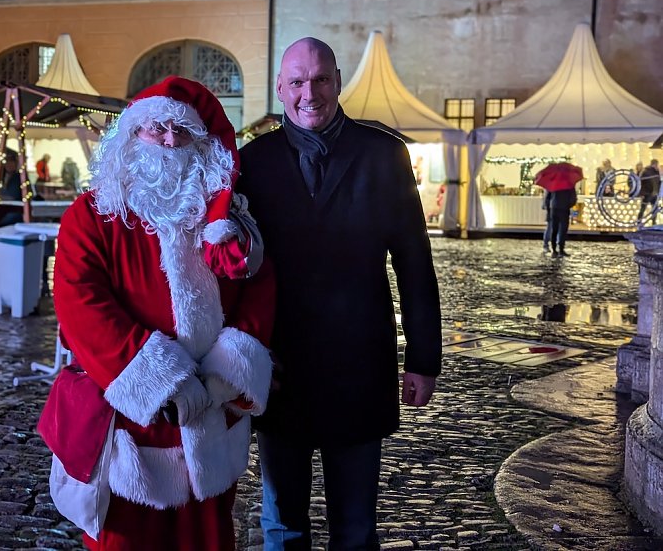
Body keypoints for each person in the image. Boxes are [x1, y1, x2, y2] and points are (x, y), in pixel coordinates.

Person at [49, 76, 274, 550]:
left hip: (212, 420)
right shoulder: (90, 216)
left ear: (202, 144)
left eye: (184, 132)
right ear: (132, 135)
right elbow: (80, 304)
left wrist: (224, 377)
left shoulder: (226, 222)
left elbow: (258, 289)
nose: (170, 142)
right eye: (158, 129)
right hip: (129, 428)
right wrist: (163, 383)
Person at [237, 37, 442, 550]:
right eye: (298, 82)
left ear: (338, 81)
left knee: (355, 529)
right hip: (279, 368)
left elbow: (414, 263)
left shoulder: (384, 154)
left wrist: (424, 358)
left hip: (359, 365)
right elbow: (230, 271)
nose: (311, 93)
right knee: (282, 526)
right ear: (281, 88)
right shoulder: (251, 163)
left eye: (322, 79)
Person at [544, 185, 578, 257]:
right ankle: (561, 250)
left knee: (554, 229)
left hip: (554, 208)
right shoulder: (569, 185)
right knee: (563, 230)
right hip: (564, 209)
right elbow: (573, 199)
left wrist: (549, 208)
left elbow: (547, 198)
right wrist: (568, 205)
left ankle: (554, 250)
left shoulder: (553, 184)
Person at [637, 159, 661, 225]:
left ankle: (653, 222)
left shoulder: (656, 172)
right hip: (647, 193)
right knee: (644, 208)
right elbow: (641, 183)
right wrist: (642, 193)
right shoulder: (646, 171)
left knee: (654, 208)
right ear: (654, 164)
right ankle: (639, 221)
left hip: (653, 193)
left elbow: (658, 182)